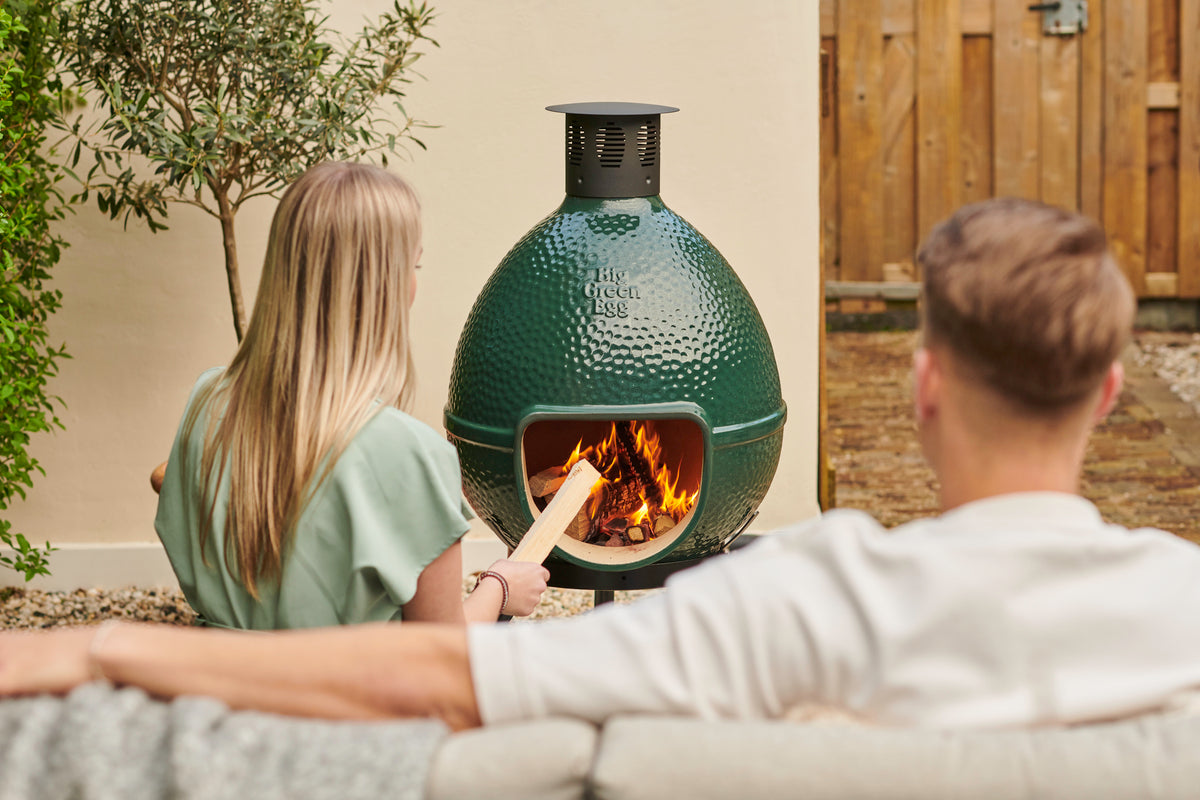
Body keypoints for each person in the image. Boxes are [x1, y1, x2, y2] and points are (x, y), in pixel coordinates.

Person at [5, 197, 1200, 731]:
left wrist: (105, 649)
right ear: (1107, 391)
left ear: (924, 382)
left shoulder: (794, 599)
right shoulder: (1179, 608)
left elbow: (440, 683)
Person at [145, 161, 548, 629]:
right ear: (386, 285)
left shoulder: (206, 400)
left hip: (217, 692)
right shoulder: (413, 453)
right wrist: (499, 587)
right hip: (350, 701)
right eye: (412, 265)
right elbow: (438, 651)